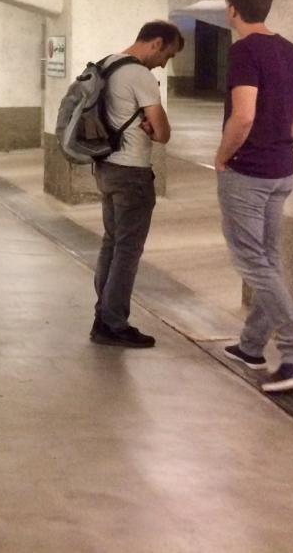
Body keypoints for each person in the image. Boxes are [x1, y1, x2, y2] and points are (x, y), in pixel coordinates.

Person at [214, 0, 293, 393]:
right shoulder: (291, 51)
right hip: (282, 169)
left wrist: (224, 156)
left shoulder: (244, 51)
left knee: (252, 262)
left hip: (248, 172)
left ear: (233, 10)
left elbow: (242, 115)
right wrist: (279, 141)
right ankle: (251, 346)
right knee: (268, 260)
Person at [90, 20, 183, 348]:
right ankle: (113, 323)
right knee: (127, 250)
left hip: (105, 167)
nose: (164, 63)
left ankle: (103, 315)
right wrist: (152, 126)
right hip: (131, 173)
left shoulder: (106, 64)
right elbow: (162, 132)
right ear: (157, 43)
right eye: (167, 55)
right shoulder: (140, 75)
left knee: (112, 243)